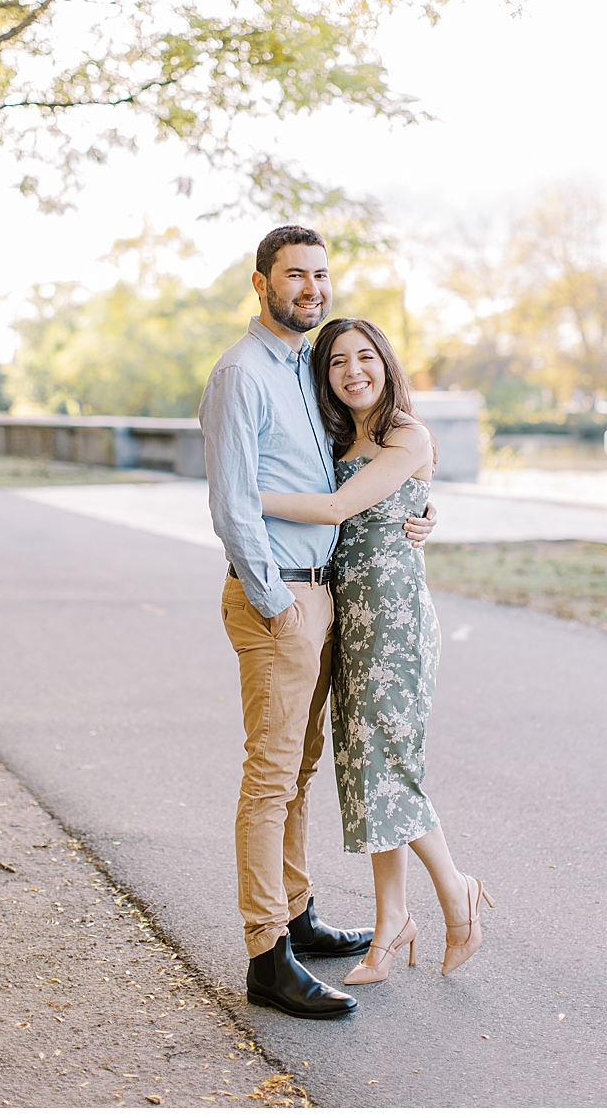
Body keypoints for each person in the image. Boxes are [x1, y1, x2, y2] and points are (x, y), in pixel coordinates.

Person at [200, 225, 433, 1019]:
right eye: (294, 275)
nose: (311, 288)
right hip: (282, 599)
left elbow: (360, 466)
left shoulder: (306, 367)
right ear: (260, 282)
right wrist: (277, 606)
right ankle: (268, 953)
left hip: (321, 592)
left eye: (321, 274)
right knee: (270, 780)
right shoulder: (241, 375)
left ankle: (295, 916)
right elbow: (233, 505)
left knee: (296, 775)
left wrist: (417, 506)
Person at [258, 316, 493, 986]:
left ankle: (455, 889)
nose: (353, 370)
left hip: (393, 621)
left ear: (387, 364)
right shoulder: (338, 436)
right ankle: (391, 923)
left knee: (386, 761)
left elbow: (337, 509)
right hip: (346, 616)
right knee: (364, 768)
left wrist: (246, 495)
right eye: (336, 362)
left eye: (365, 357)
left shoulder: (407, 433)